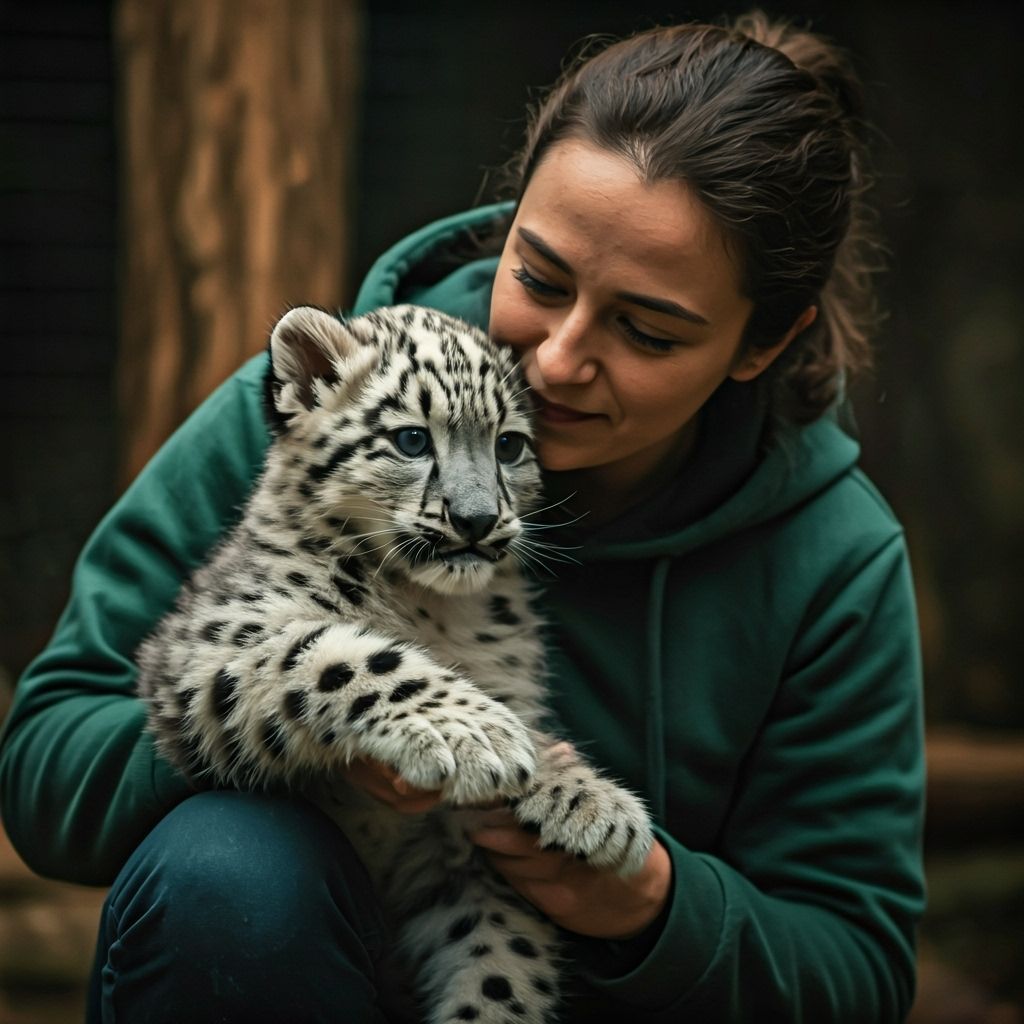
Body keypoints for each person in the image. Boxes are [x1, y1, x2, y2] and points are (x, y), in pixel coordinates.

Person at [0, 12, 926, 1023]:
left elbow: (857, 970)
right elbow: (47, 768)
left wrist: (651, 902)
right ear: (509, 214)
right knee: (228, 867)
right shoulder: (320, 406)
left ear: (761, 343)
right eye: (538, 278)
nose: (557, 359)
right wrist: (305, 713)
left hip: (524, 979)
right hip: (281, 960)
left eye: (646, 330)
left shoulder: (834, 555)